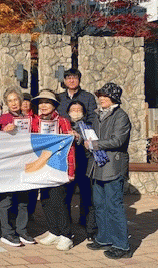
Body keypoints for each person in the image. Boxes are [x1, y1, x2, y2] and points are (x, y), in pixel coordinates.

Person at [85, 83, 131, 259]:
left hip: (113, 167)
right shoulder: (98, 115)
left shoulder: (121, 116)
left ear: (114, 98)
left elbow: (118, 140)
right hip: (98, 166)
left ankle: (122, 246)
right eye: (100, 95)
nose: (101, 98)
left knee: (114, 206)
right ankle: (104, 238)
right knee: (100, 205)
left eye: (105, 95)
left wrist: (94, 144)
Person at [31, 90, 76, 251]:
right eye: (41, 102)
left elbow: (69, 148)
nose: (43, 105)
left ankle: (66, 235)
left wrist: (71, 171)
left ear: (54, 105)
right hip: (42, 167)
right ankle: (54, 231)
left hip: (59, 168)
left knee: (59, 201)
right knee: (46, 200)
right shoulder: (35, 122)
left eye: (47, 102)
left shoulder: (63, 122)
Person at [57, 68, 98, 228]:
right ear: (65, 81)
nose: (72, 80)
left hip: (83, 150)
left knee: (85, 188)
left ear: (79, 80)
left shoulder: (88, 97)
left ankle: (86, 222)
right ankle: (65, 222)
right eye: (69, 78)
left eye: (74, 78)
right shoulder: (60, 98)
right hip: (65, 150)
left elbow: (92, 120)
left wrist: (78, 134)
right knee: (66, 189)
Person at [0, 87, 36, 247]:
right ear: (7, 103)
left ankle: (22, 230)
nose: (13, 103)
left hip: (24, 163)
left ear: (21, 101)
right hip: (7, 164)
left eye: (16, 100)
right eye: (10, 101)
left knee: (23, 200)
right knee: (6, 200)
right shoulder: (4, 118)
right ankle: (6, 232)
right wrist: (4, 130)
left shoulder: (28, 119)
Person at [66, 100, 97, 240]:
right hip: (69, 166)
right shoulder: (64, 125)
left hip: (85, 165)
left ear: (84, 113)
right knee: (67, 196)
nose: (76, 112)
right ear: (68, 112)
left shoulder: (89, 127)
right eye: (73, 109)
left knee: (86, 196)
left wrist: (80, 138)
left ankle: (87, 224)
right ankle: (66, 222)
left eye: (79, 110)